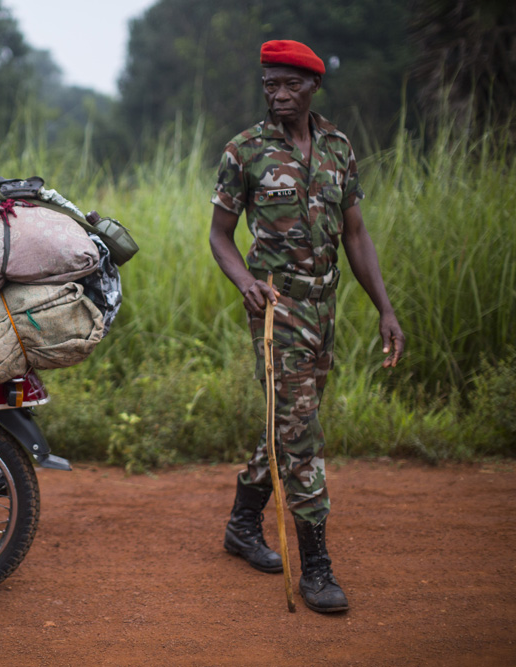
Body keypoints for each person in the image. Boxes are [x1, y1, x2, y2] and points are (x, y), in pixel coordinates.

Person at [208, 40, 404, 613]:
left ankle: (243, 525)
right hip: (277, 311)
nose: (278, 94)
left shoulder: (339, 147)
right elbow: (220, 235)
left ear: (313, 85)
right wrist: (245, 280)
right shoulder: (244, 151)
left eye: (290, 84)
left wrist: (385, 309)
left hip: (326, 308)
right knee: (303, 436)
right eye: (270, 84)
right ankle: (317, 569)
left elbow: (356, 234)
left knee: (286, 424)